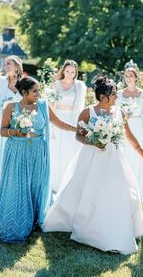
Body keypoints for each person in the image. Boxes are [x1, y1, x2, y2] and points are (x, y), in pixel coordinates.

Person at [42, 76, 143, 255]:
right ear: (103, 97)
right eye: (113, 94)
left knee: (119, 190)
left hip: (114, 158)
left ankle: (114, 223)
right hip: (91, 157)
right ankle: (85, 223)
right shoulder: (87, 112)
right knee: (86, 188)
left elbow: (128, 135)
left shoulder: (119, 112)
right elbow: (79, 135)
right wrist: (93, 141)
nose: (116, 97)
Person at [0, 77, 76, 243]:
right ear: (24, 93)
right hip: (17, 151)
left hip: (38, 152)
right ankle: (16, 221)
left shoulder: (43, 106)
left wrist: (77, 129)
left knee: (36, 184)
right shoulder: (11, 107)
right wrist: (15, 132)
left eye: (39, 90)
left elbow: (58, 123)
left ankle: (35, 220)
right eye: (35, 91)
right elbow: (2, 131)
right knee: (17, 186)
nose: (39, 94)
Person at [50, 59, 86, 192]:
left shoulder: (80, 85)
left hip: (72, 119)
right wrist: (52, 123)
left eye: (73, 71)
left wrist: (79, 124)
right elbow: (51, 104)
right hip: (57, 119)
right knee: (57, 150)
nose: (70, 73)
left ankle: (69, 182)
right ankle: (55, 183)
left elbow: (81, 106)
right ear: (63, 71)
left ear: (76, 72)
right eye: (67, 71)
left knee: (70, 150)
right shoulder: (56, 85)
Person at [117, 60, 143, 198]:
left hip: (138, 126)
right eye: (126, 76)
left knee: (139, 158)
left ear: (136, 78)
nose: (129, 78)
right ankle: (125, 190)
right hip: (124, 127)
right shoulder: (119, 94)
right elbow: (116, 112)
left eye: (131, 75)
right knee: (125, 157)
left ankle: (139, 190)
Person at [0, 56, 23, 197]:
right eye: (5, 64)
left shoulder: (23, 84)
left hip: (12, 123)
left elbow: (25, 104)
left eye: (9, 64)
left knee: (7, 153)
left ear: (17, 66)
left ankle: (7, 186)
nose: (6, 66)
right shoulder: (0, 81)